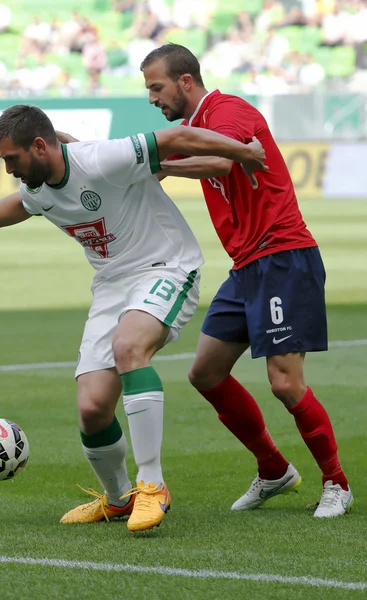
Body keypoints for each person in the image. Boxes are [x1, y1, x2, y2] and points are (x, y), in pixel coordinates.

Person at [0, 104, 266, 532]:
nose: (8, 170)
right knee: (92, 408)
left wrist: (242, 152)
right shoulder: (37, 185)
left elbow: (171, 140)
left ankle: (153, 485)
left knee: (130, 347)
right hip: (112, 286)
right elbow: (21, 205)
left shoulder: (99, 159)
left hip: (164, 266)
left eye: (11, 159)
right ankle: (118, 499)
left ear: (40, 146)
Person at [139, 43, 353, 518]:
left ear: (186, 82)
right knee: (206, 374)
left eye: (157, 87)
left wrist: (163, 168)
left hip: (282, 257)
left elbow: (223, 160)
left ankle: (337, 483)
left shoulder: (228, 110)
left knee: (284, 382)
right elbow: (155, 148)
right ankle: (274, 469)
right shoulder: (191, 127)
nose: (152, 97)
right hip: (247, 268)